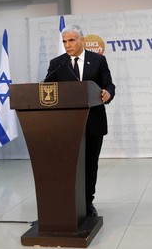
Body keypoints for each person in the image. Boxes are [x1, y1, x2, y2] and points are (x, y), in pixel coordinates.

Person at [44, 25, 115, 217]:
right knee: (70, 165)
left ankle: (87, 202)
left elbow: (108, 84)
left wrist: (108, 92)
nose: (67, 45)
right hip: (67, 125)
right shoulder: (57, 63)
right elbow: (46, 88)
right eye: (64, 42)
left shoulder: (98, 60)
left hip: (93, 123)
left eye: (71, 40)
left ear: (82, 40)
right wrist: (34, 91)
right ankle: (70, 201)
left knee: (90, 164)